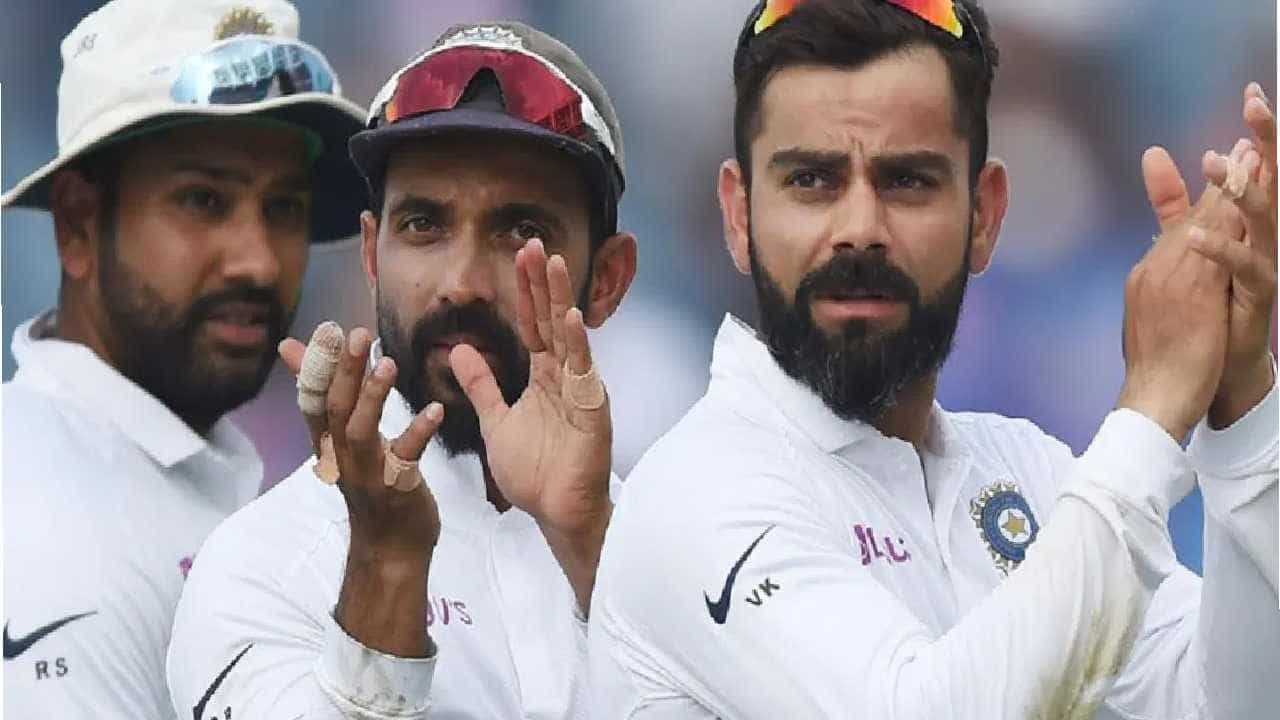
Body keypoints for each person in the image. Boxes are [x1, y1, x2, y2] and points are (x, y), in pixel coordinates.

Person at [588, 1, 1277, 718]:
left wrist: (1244, 404)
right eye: (812, 181)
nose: (860, 229)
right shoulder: (696, 493)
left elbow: (1235, 706)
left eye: (908, 181)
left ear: (986, 215)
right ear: (738, 215)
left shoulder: (1025, 472)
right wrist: (1153, 406)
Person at [166, 21, 639, 719]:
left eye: (521, 231)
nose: (461, 283)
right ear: (371, 253)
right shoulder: (263, 565)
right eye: (423, 226)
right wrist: (386, 563)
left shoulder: (692, 550)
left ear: (607, 280)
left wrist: (589, 540)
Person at [0, 0, 366, 717]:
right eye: (203, 200)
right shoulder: (38, 525)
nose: (258, 262)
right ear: (78, 224)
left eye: (284, 208)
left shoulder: (191, 481)